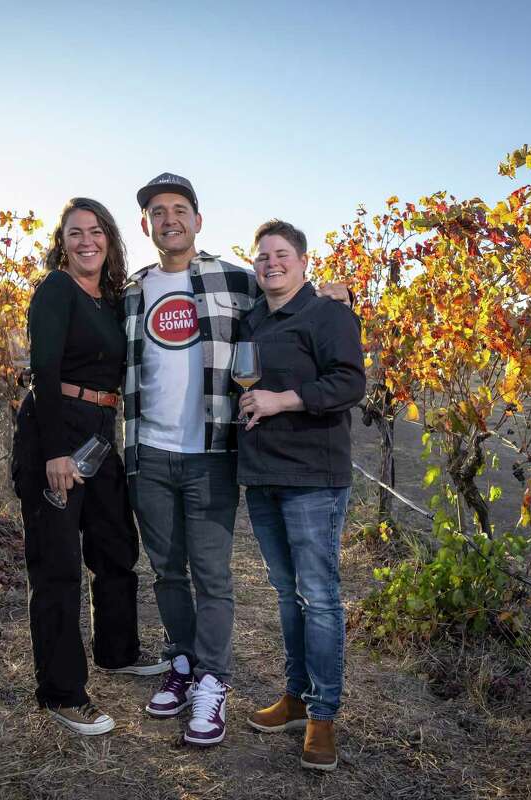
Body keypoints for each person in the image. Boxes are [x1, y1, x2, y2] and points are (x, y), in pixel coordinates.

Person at [123, 174, 351, 747]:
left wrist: (334, 293)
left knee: (223, 577)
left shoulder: (234, 279)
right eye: (157, 211)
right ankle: (181, 663)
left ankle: (217, 682)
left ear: (198, 221)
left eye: (180, 209)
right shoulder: (132, 291)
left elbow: (294, 298)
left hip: (215, 453)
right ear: (146, 224)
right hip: (152, 452)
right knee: (170, 572)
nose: (168, 218)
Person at [11, 197, 167, 737]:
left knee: (115, 546)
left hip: (102, 433)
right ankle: (61, 692)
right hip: (57, 430)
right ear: (63, 241)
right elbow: (44, 373)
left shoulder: (111, 301)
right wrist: (54, 452)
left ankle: (118, 652)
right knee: (57, 567)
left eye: (96, 231)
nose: (86, 241)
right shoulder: (57, 290)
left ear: (110, 239)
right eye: (75, 232)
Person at [236, 219, 366, 771]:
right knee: (287, 595)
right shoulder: (252, 316)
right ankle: (294, 697)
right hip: (263, 475)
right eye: (262, 256)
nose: (271, 263)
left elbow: (350, 382)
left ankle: (323, 715)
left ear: (305, 261)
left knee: (320, 595)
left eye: (281, 254)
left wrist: (281, 400)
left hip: (313, 478)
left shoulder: (328, 312)